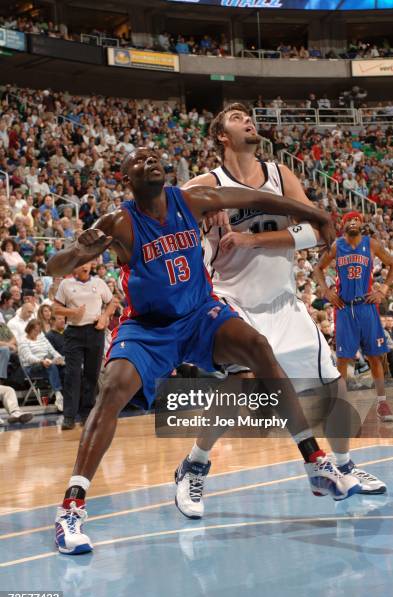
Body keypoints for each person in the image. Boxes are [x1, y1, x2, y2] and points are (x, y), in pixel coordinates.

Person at [46, 146, 358, 556]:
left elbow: (258, 198)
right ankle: (71, 507)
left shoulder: (190, 200)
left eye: (154, 157)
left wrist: (314, 213)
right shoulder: (118, 222)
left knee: (258, 348)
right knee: (112, 390)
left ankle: (314, 461)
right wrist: (76, 250)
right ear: (127, 179)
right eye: (138, 161)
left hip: (198, 315)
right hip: (150, 328)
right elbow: (56, 265)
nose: (150, 161)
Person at [174, 103, 386, 521]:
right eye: (237, 117)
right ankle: (193, 465)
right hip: (231, 298)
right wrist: (200, 208)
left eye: (250, 116)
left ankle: (341, 466)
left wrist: (252, 240)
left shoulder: (279, 174)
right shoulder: (206, 183)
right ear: (221, 135)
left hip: (283, 300)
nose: (248, 120)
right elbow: (167, 219)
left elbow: (313, 230)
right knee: (244, 384)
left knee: (334, 388)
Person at [314, 211, 393, 422]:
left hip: (367, 307)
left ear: (362, 224)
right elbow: (318, 268)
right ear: (343, 225)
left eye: (356, 220)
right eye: (348, 220)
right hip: (344, 308)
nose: (353, 222)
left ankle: (382, 403)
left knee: (374, 357)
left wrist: (383, 289)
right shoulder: (337, 246)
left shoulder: (371, 244)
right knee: (343, 359)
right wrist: (326, 290)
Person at [53, 263, 116, 430]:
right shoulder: (66, 284)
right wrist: (72, 313)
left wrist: (104, 317)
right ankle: (69, 416)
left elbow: (112, 303)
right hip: (74, 332)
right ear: (74, 267)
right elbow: (55, 308)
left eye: (87, 263)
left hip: (95, 331)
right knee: (72, 374)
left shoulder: (99, 283)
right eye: (81, 264)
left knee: (92, 375)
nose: (84, 267)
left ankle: (87, 414)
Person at [18, 319, 64, 412]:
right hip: (31, 367)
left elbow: (52, 351)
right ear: (29, 329)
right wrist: (41, 361)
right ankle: (58, 395)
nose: (37, 333)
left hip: (46, 362)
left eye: (39, 331)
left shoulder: (42, 337)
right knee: (51, 366)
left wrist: (59, 358)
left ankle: (68, 396)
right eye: (35, 330)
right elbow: (29, 357)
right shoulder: (23, 341)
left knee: (65, 367)